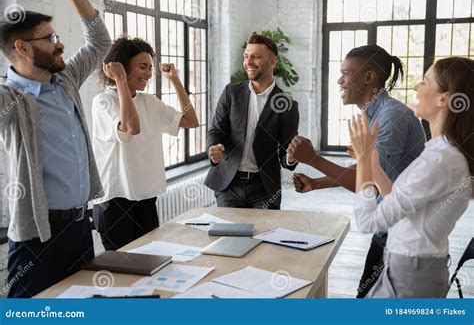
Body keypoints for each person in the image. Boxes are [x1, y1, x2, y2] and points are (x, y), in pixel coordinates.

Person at [287, 45, 426, 297]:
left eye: (345, 73)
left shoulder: (391, 116)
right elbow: (365, 171)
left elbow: (369, 181)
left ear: (369, 77)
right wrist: (316, 183)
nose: (339, 79)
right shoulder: (376, 114)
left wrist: (313, 158)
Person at [0, 0, 111, 297]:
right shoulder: (9, 99)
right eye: (50, 39)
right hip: (37, 236)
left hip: (80, 226)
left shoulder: (66, 81)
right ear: (22, 48)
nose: (58, 45)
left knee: (82, 309)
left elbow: (100, 42)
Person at [349, 56, 473, 298]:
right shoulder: (439, 152)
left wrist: (363, 160)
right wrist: (373, 162)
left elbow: (368, 221)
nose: (417, 87)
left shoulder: (441, 160)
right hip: (406, 271)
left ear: (444, 98)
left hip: (411, 279)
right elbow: (400, 204)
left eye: (425, 82)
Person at [91, 37, 199, 251]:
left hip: (146, 199)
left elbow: (191, 120)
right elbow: (132, 128)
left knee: (149, 264)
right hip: (115, 201)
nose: (149, 73)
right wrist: (120, 81)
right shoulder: (103, 102)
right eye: (143, 67)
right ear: (120, 68)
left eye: (151, 67)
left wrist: (175, 80)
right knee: (124, 273)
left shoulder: (149, 102)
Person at [204, 33, 299, 210]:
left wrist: (291, 157)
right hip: (229, 184)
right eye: (246, 56)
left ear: (273, 61)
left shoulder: (287, 105)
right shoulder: (230, 93)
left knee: (262, 236)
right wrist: (213, 149)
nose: (248, 62)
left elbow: (287, 151)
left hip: (263, 188)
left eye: (256, 56)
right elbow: (216, 130)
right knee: (228, 235)